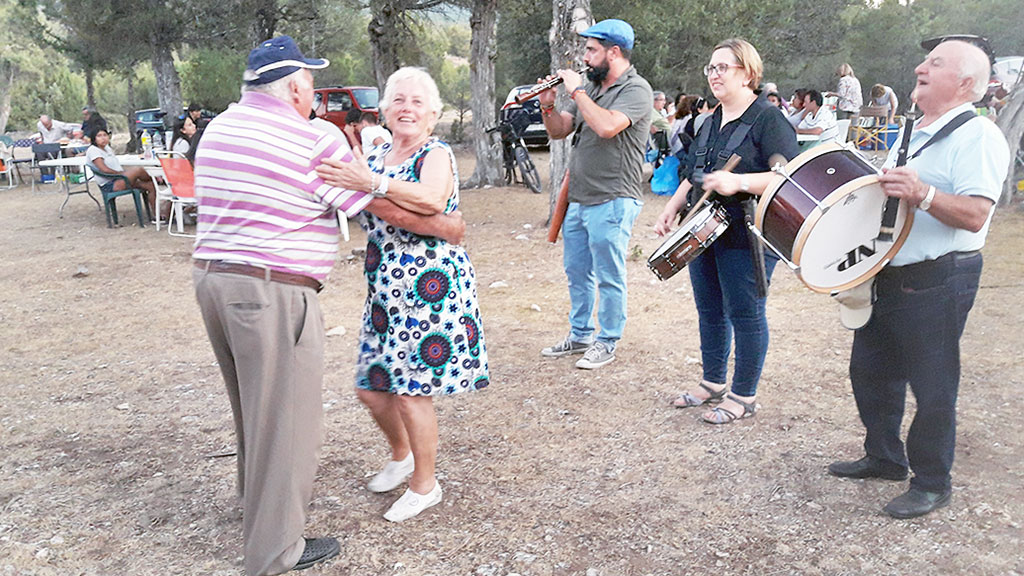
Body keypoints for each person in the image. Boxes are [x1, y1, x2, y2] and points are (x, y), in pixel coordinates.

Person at [192, 36, 464, 575]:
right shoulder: (310, 138)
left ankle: (258, 507)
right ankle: (274, 550)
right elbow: (375, 207)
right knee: (287, 422)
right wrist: (451, 227)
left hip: (214, 283)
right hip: (272, 292)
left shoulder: (218, 128)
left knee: (253, 408)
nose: (314, 92)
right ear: (294, 86)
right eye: (310, 82)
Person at [827, 38, 1009, 519]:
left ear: (965, 83)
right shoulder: (914, 129)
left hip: (940, 277)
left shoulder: (979, 137)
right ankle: (884, 458)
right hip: (889, 273)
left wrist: (923, 192)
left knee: (933, 386)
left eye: (935, 64)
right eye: (925, 61)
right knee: (870, 373)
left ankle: (932, 481)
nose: (919, 68)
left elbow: (975, 214)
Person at [315, 66, 487, 523]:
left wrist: (371, 185)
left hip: (430, 286)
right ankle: (402, 455)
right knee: (372, 388)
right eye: (399, 100)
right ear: (384, 109)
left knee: (412, 391)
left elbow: (432, 200)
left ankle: (425, 485)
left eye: (417, 102)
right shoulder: (374, 156)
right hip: (384, 286)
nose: (407, 108)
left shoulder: (436, 152)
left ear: (433, 114)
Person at [654, 38, 799, 424]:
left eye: (723, 68)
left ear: (748, 73)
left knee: (746, 312)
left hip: (746, 234)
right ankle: (713, 382)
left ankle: (744, 396)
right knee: (710, 311)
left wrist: (741, 183)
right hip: (703, 232)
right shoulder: (709, 120)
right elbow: (694, 171)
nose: (714, 75)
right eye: (711, 68)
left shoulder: (769, 119)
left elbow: (785, 178)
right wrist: (672, 206)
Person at [535, 19, 652, 369]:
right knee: (577, 270)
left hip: (614, 197)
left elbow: (606, 126)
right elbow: (559, 131)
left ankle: (608, 340)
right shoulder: (593, 88)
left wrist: (577, 92)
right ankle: (581, 333)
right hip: (580, 198)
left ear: (613, 53)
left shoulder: (637, 90)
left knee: (609, 274)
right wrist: (547, 104)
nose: (584, 57)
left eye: (591, 50)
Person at [85, 127, 158, 214]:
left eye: (105, 135)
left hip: (119, 178)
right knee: (138, 170)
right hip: (110, 183)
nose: (103, 138)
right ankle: (157, 179)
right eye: (99, 136)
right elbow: (104, 169)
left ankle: (156, 215)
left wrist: (124, 173)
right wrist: (122, 173)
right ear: (94, 139)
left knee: (151, 186)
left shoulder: (107, 148)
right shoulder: (93, 150)